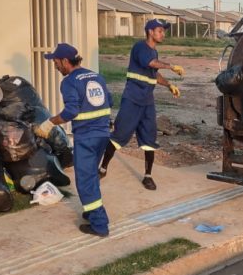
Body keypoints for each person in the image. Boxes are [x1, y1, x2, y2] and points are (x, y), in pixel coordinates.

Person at [34, 43, 112, 237]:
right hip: (102, 135)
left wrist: (50, 123)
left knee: (85, 181)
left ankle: (99, 224)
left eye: (56, 62)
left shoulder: (69, 82)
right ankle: (91, 211)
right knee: (91, 176)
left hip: (86, 137)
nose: (55, 67)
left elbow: (71, 112)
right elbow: (108, 101)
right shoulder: (96, 76)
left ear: (65, 61)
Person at [100, 18, 183, 190]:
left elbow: (154, 73)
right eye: (160, 30)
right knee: (119, 135)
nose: (163, 34)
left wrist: (169, 85)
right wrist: (172, 66)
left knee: (149, 138)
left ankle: (148, 176)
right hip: (132, 99)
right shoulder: (140, 47)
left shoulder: (154, 52)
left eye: (164, 31)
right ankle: (102, 167)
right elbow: (150, 63)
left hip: (147, 102)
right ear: (150, 32)